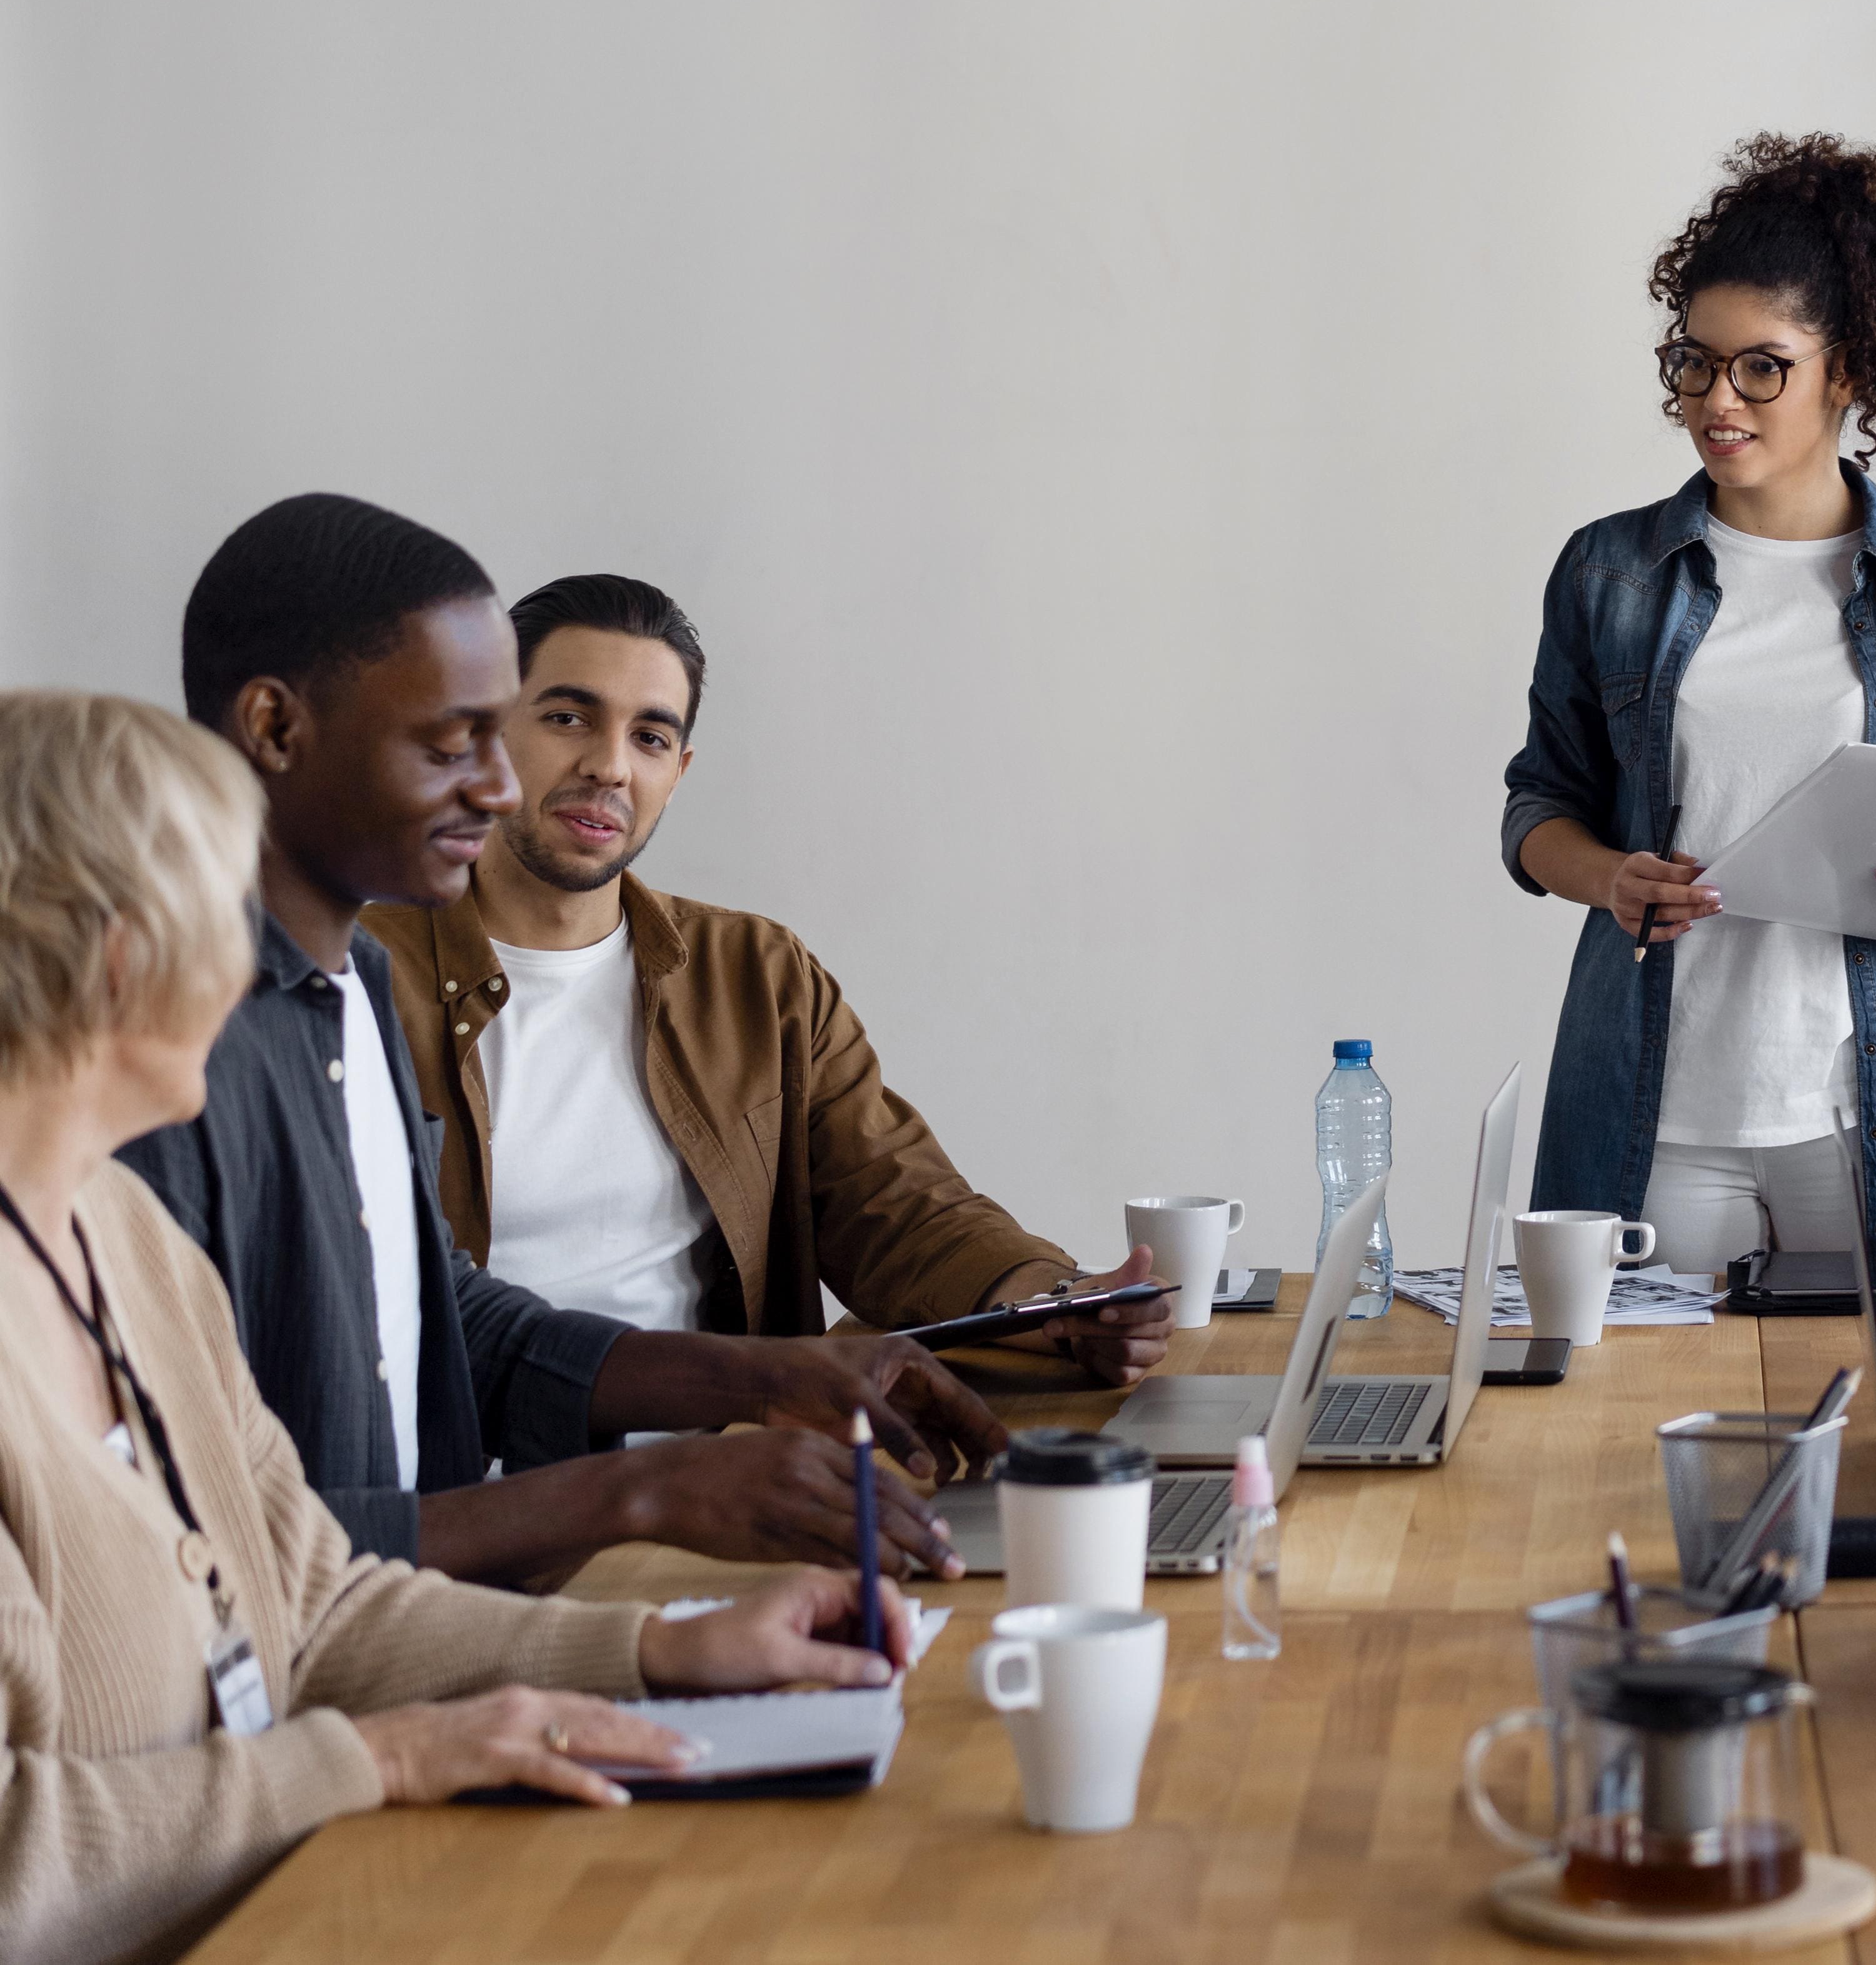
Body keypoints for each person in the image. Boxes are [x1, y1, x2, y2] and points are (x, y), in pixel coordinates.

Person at [0, 689, 911, 1965]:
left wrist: (660, 1647)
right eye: (230, 914)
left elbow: (308, 1599)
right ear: (120, 958)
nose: (264, 959)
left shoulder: (120, 1233)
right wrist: (378, 1758)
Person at [118, 495, 998, 1588]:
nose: (499, 787)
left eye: (499, 736)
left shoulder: (352, 988)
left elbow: (449, 1321)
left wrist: (762, 1380)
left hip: (434, 1627)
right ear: (276, 728)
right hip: (326, 1696)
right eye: (457, 742)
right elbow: (182, 1545)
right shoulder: (156, 1048)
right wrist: (641, 1494)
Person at [360, 572, 1168, 1379]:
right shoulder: (353, 980)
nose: (609, 765)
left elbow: (899, 1208)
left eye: (649, 737)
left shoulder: (756, 975)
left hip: (738, 1465)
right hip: (478, 1488)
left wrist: (1062, 1303)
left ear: (677, 771)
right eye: (569, 717)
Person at [1500, 133, 1876, 1284]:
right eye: (1696, 363)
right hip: (1662, 1111)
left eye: (1762, 367)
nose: (1715, 400)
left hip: (1868, 1101)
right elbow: (1539, 804)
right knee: (1630, 1439)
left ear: (1848, 370)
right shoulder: (1609, 575)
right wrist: (1609, 877)